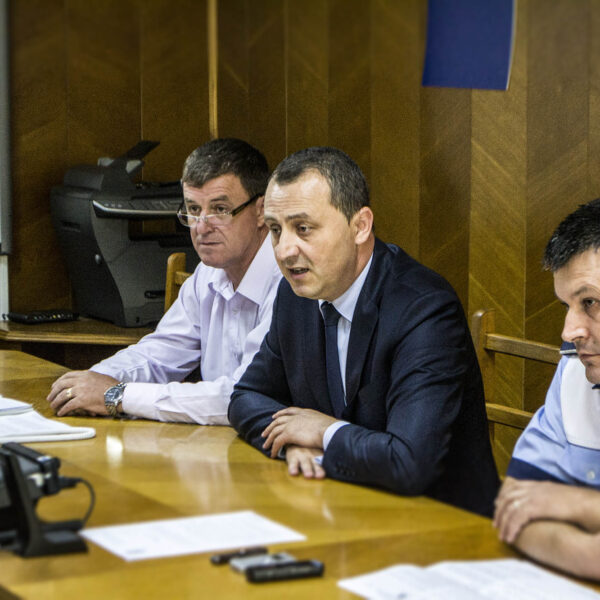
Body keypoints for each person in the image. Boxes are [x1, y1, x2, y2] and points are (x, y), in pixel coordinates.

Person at [228, 146, 499, 517]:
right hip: (341, 507)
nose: (285, 250)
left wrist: (324, 433)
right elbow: (245, 397)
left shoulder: (424, 307)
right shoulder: (296, 295)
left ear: (360, 226)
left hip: (440, 523)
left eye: (303, 228)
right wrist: (291, 441)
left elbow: (409, 462)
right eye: (276, 230)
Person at [47, 138, 281, 424]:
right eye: (193, 209)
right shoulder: (207, 275)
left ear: (261, 210)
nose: (201, 227)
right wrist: (92, 381)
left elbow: (242, 396)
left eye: (220, 209)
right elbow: (158, 355)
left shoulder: (288, 282)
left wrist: (116, 395)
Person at [494, 199, 600, 580]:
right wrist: (588, 554)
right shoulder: (574, 370)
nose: (569, 331)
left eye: (590, 302)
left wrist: (574, 503)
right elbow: (513, 509)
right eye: (566, 306)